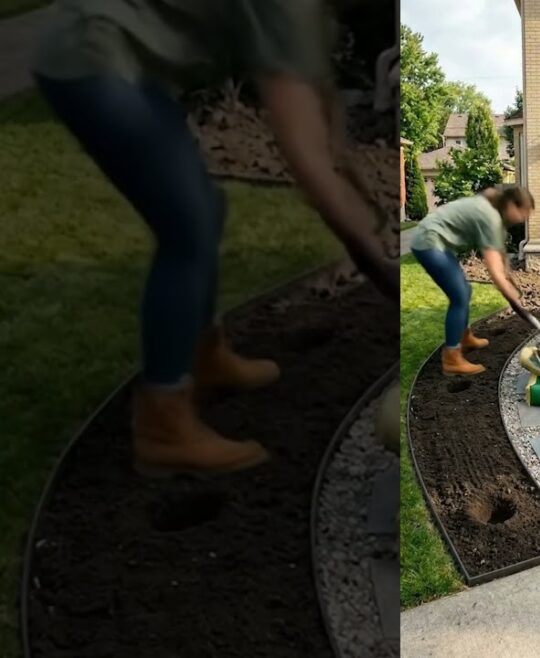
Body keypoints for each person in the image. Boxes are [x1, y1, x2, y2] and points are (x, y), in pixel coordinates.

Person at [31, 0, 398, 477]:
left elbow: (311, 80)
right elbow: (303, 152)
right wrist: (376, 261)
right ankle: (163, 424)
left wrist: (342, 150)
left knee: (204, 212)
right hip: (91, 59)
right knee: (188, 231)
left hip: (108, 58)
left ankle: (203, 355)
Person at [411, 186, 539, 376]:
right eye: (524, 212)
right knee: (459, 297)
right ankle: (451, 359)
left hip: (438, 242)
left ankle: (464, 337)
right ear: (512, 205)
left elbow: (499, 252)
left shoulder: (494, 210)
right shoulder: (490, 217)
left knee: (465, 291)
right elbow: (494, 271)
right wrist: (513, 297)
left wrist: (508, 274)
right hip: (429, 242)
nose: (525, 217)